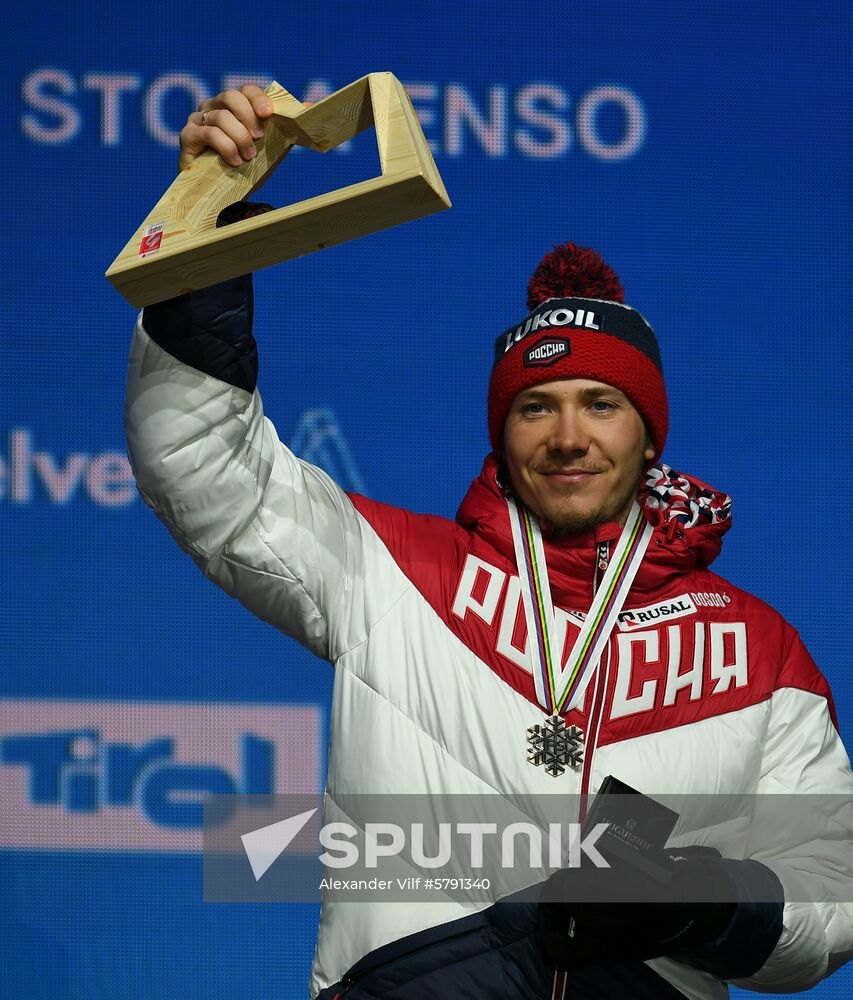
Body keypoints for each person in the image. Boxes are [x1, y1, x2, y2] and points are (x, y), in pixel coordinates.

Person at [125, 84, 853, 999]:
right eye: (534, 407)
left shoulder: (758, 649)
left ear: (649, 433)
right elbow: (204, 474)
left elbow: (831, 892)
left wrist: (701, 904)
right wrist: (206, 231)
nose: (567, 435)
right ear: (501, 437)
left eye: (602, 404)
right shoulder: (388, 571)